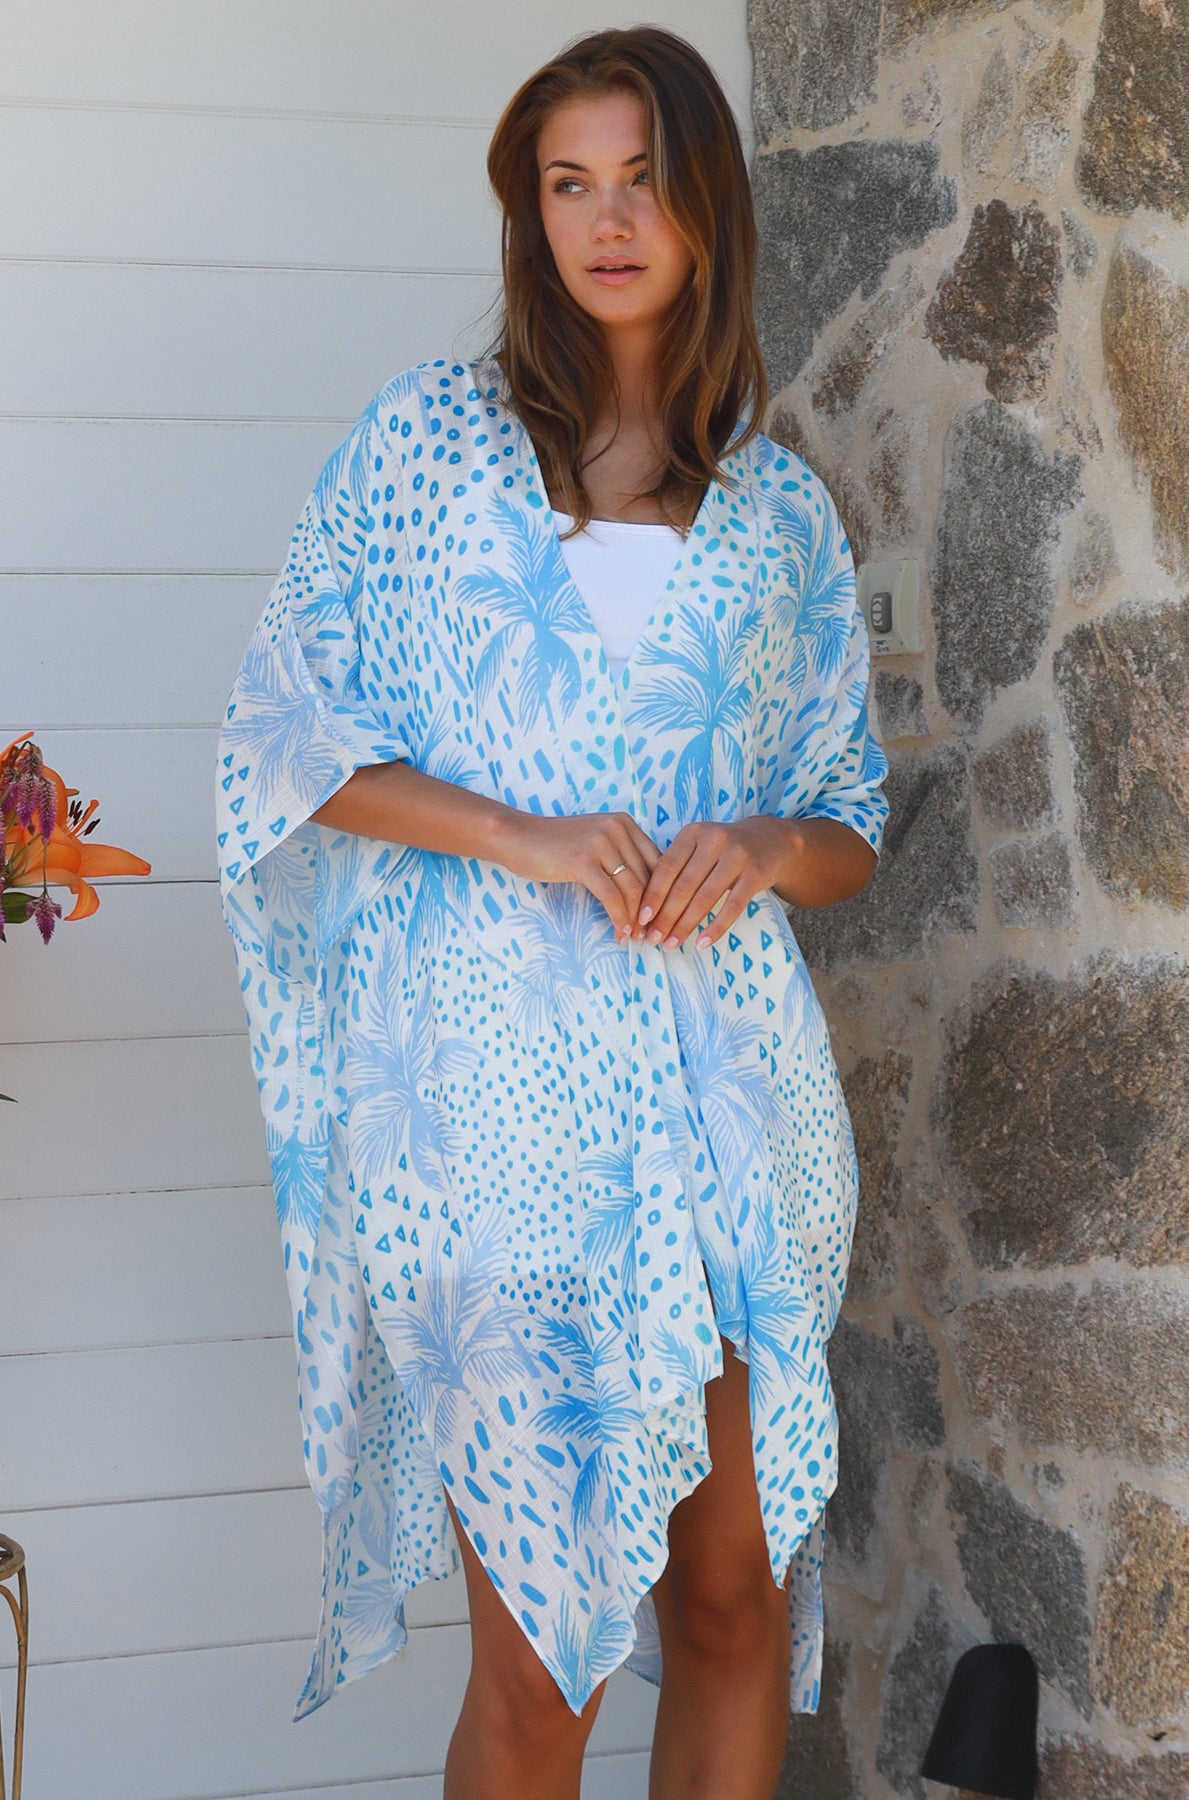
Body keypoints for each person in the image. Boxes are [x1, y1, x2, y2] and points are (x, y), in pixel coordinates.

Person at [215, 25, 887, 1800]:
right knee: (540, 1654)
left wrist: (761, 844)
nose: (607, 222)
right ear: (532, 215)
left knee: (732, 1604)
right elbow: (289, 739)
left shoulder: (780, 515)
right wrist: (522, 834)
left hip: (731, 1113)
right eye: (569, 185)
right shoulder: (423, 449)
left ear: (705, 205)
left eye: (642, 182)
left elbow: (849, 819)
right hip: (486, 1120)